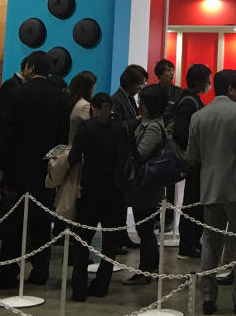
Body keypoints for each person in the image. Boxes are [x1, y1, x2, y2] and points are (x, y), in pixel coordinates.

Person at [0, 50, 68, 289]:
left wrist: (2, 165)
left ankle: (8, 272)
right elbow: (62, 138)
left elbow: (6, 133)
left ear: (31, 67)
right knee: (42, 221)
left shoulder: (16, 93)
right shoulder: (60, 97)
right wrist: (50, 161)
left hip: (17, 167)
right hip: (44, 169)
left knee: (13, 222)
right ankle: (40, 270)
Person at [185, 69, 236, 315]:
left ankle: (208, 297)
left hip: (209, 187)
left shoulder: (198, 116)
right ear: (230, 88)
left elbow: (192, 154)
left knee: (210, 242)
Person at [68, 92, 129, 301]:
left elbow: (74, 156)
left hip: (90, 189)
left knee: (83, 240)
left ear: (93, 108)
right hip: (114, 190)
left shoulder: (87, 128)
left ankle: (79, 288)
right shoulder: (120, 128)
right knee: (110, 243)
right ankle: (102, 285)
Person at [126, 84, 172, 284]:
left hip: (146, 185)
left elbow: (141, 154)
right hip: (146, 185)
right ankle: (150, 266)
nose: (140, 106)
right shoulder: (148, 122)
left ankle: (145, 271)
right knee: (145, 228)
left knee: (144, 229)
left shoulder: (152, 126)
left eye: (143, 103)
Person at [173, 63, 211, 259]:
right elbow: (181, 133)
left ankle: (193, 242)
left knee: (196, 204)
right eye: (207, 81)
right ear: (198, 83)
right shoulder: (189, 103)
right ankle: (187, 245)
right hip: (193, 161)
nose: (209, 85)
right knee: (192, 204)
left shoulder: (192, 99)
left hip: (196, 161)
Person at [68, 71, 97, 143]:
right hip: (78, 147)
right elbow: (90, 131)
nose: (94, 89)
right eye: (94, 86)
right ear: (88, 88)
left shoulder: (72, 100)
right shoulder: (85, 105)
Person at [149, 58, 182, 122]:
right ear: (159, 74)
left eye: (173, 70)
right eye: (168, 70)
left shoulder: (180, 92)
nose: (172, 73)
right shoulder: (150, 91)